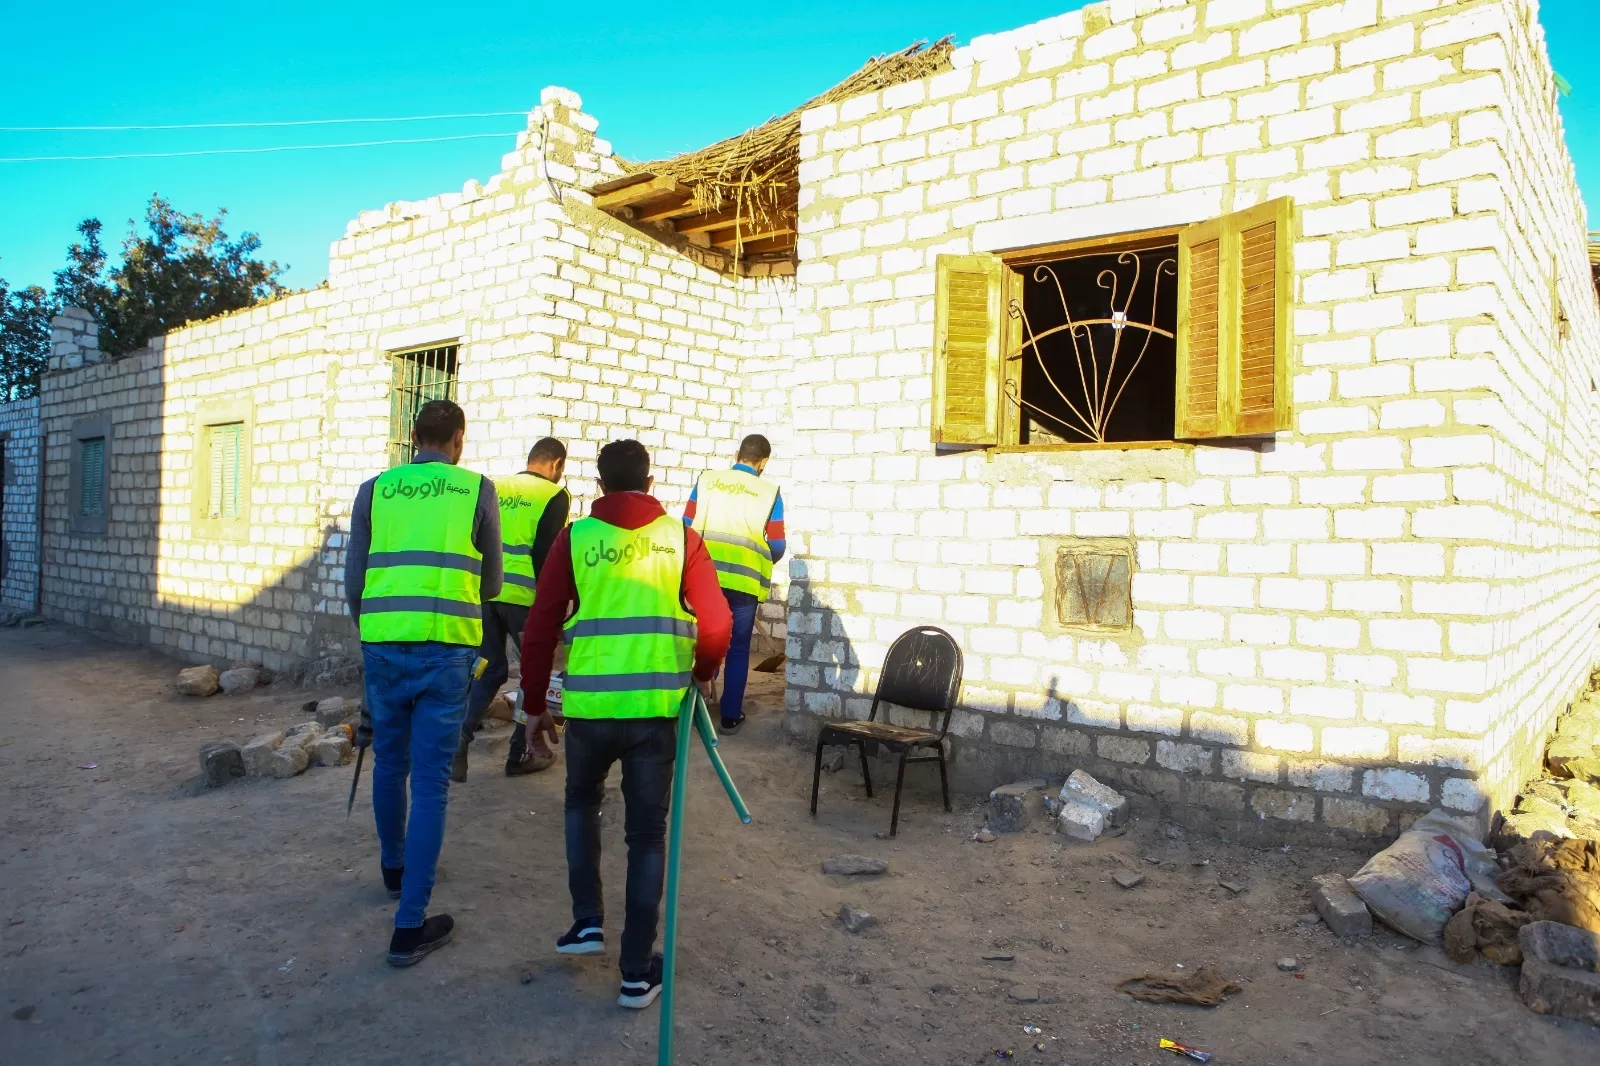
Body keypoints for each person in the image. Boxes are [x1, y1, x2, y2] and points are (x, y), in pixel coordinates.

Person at [520, 439, 731, 1009]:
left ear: (600, 483)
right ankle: (637, 972)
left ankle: (587, 921)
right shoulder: (680, 539)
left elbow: (540, 627)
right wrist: (703, 674)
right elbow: (717, 624)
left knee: (580, 805)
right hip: (654, 715)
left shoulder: (576, 539)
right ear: (650, 480)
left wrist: (534, 705)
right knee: (645, 835)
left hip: (589, 713)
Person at [344, 399, 513, 968]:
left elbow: (354, 581)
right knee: (432, 783)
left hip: (384, 645)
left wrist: (374, 635)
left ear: (413, 437)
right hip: (446, 649)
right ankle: (409, 924)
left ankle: (394, 868)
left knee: (389, 764)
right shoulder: (476, 489)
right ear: (459, 439)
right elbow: (493, 582)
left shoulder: (374, 490)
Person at [453, 437, 571, 782]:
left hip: (485, 593)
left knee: (490, 669)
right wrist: (555, 606)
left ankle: (460, 740)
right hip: (525, 599)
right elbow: (547, 554)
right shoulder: (554, 495)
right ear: (557, 465)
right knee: (538, 674)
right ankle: (520, 753)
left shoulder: (495, 487)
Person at [683, 433, 784, 732]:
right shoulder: (769, 492)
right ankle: (730, 717)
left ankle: (696, 710)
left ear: (736, 454)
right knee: (738, 647)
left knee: (708, 640)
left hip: (704, 579)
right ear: (763, 462)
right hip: (744, 584)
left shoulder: (707, 481)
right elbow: (777, 544)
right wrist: (759, 559)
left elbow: (685, 526)